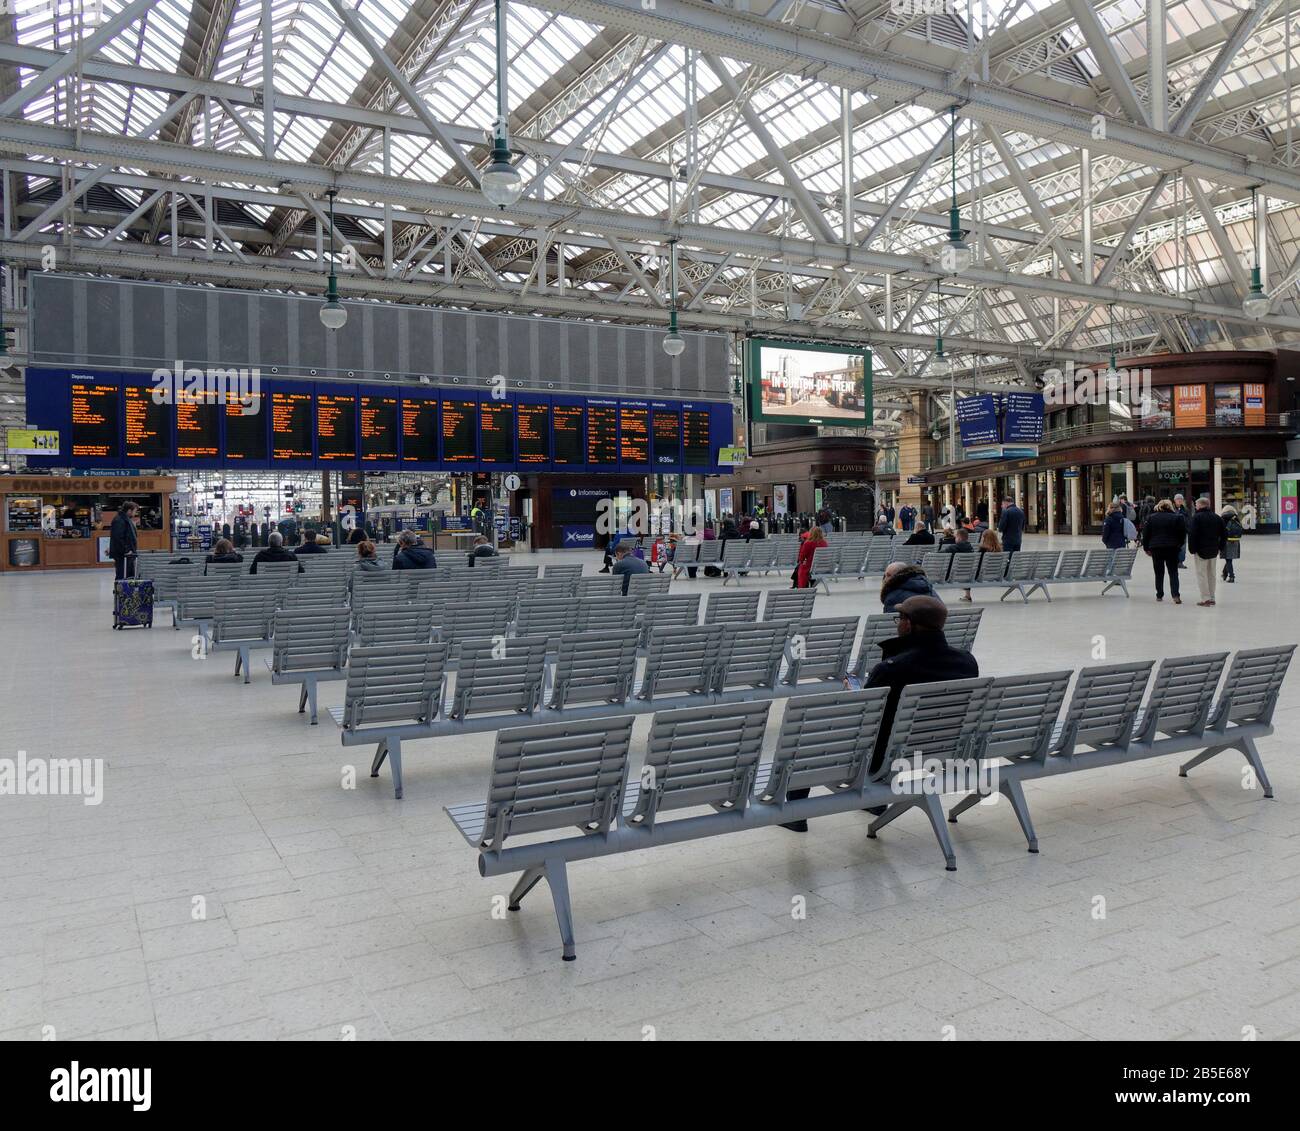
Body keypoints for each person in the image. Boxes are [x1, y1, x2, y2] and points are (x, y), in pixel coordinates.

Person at [779, 596, 979, 832]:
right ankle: (876, 803)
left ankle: (796, 811)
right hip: (938, 751)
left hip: (880, 759)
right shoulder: (967, 662)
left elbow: (861, 717)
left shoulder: (892, 668)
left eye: (900, 618)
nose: (897, 623)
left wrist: (852, 693)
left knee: (811, 728)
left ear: (908, 624)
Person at [1140, 498, 1186, 603]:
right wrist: (1179, 545)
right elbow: (1182, 534)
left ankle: (1159, 594)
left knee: (1159, 572)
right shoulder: (1178, 517)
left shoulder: (1151, 518)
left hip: (1156, 548)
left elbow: (1146, 535)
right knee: (1173, 572)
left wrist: (1146, 548)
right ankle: (1175, 595)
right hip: (1172, 548)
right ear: (1170, 506)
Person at [1186, 496, 1225, 607]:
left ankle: (1205, 598)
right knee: (1212, 574)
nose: (1195, 506)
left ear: (1201, 505)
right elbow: (1224, 534)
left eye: (1196, 505)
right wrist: (1220, 547)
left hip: (1200, 551)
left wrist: (1192, 549)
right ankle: (1212, 597)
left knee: (1201, 574)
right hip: (1213, 550)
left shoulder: (1196, 518)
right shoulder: (1217, 518)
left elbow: (1192, 534)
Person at [108, 501, 139, 581]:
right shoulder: (119, 520)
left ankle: (126, 592)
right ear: (129, 511)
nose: (135, 513)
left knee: (128, 575)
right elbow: (118, 538)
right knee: (122, 575)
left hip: (127, 555)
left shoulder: (125, 519)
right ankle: (120, 592)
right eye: (135, 511)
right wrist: (126, 550)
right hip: (123, 555)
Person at [1220, 505, 1243, 583]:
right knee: (1229, 559)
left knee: (1228, 559)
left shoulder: (1222, 518)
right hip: (1236, 541)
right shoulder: (1236, 518)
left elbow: (1220, 530)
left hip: (1226, 541)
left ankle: (1232, 576)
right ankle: (1224, 573)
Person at [1173, 494, 1189, 568]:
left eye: (1181, 499)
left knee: (1182, 547)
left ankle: (1180, 562)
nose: (1179, 500)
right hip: (1174, 531)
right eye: (1178, 499)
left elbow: (1188, 520)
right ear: (1174, 500)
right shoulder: (1171, 509)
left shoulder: (1185, 509)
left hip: (1183, 531)